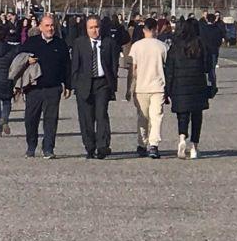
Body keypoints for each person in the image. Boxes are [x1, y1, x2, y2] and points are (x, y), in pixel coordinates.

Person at [18, 14, 70, 159]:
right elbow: (18, 59)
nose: (50, 28)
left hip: (53, 88)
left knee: (51, 119)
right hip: (34, 88)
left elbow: (67, 66)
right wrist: (27, 60)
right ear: (40, 27)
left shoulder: (60, 44)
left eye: (52, 25)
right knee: (31, 119)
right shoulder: (31, 43)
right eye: (47, 25)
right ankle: (31, 145)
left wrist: (68, 85)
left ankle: (48, 148)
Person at [70, 15, 121, 159]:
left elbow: (113, 65)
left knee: (101, 114)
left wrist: (113, 85)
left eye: (96, 27)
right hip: (84, 83)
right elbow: (75, 65)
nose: (94, 30)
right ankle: (90, 146)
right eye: (91, 27)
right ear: (86, 29)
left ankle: (102, 145)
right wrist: (75, 85)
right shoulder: (79, 43)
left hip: (102, 83)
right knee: (86, 117)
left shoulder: (108, 43)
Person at [164, 17, 213, 160]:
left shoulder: (175, 47)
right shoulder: (200, 45)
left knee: (183, 115)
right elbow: (207, 67)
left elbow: (169, 69)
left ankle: (181, 138)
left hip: (180, 87)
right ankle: (194, 147)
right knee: (197, 116)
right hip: (198, 85)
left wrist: (168, 89)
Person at [126, 17, 168, 159]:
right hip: (158, 86)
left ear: (144, 30)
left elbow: (132, 69)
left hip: (141, 87)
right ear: (156, 29)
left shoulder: (136, 46)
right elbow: (167, 67)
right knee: (156, 117)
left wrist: (128, 88)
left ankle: (142, 143)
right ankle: (154, 144)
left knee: (142, 118)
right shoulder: (162, 46)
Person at [198, 13, 225, 88]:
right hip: (214, 51)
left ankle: (204, 84)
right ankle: (213, 85)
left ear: (207, 20)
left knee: (203, 69)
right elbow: (219, 41)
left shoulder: (203, 29)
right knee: (212, 69)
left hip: (204, 51)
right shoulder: (217, 30)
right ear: (214, 20)